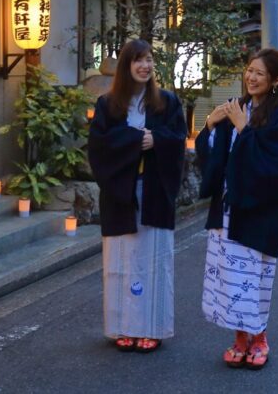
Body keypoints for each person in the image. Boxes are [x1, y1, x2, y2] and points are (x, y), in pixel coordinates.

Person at [195, 48, 278, 370]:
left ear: (275, 81)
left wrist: (245, 130)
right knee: (230, 278)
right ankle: (240, 339)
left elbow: (275, 170)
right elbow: (215, 159)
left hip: (258, 213)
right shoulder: (237, 108)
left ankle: (260, 338)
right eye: (249, 70)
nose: (251, 78)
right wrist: (211, 127)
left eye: (260, 74)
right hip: (229, 210)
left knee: (253, 278)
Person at [88, 39, 187, 353]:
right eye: (137, 60)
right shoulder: (108, 105)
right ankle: (122, 328)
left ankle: (152, 328)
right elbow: (99, 147)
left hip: (155, 190)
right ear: (126, 66)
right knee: (120, 260)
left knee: (154, 260)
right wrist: (136, 140)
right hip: (122, 194)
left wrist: (155, 139)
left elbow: (178, 139)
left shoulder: (167, 103)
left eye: (148, 60)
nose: (144, 66)